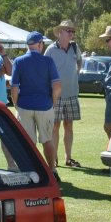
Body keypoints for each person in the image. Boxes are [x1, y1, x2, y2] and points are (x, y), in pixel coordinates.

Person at [10, 31, 62, 168]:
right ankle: (52, 171)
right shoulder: (48, 61)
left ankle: (30, 170)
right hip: (45, 106)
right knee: (47, 140)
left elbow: (14, 88)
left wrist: (16, 104)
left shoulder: (18, 61)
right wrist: (53, 102)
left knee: (28, 142)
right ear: (39, 44)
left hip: (24, 106)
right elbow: (57, 86)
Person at [45, 20, 84, 168]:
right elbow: (45, 69)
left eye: (73, 31)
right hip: (56, 95)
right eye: (69, 31)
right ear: (60, 32)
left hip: (72, 93)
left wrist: (77, 70)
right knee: (55, 126)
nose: (72, 34)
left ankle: (68, 158)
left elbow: (80, 60)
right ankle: (54, 158)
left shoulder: (75, 47)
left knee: (69, 126)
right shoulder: (50, 50)